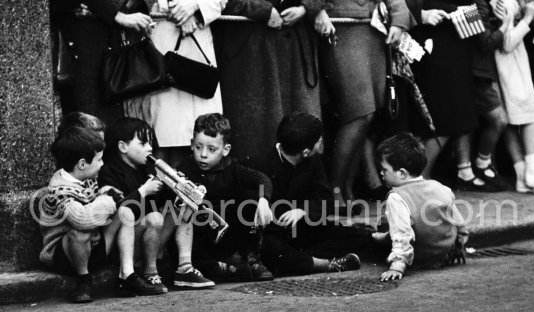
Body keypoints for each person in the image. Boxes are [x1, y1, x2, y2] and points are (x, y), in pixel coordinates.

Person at [309, 0, 413, 203]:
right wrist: (316, 9)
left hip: (374, 30)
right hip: (340, 28)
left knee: (366, 116)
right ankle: (333, 190)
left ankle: (346, 190)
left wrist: (399, 19)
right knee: (358, 113)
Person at [216, 0, 334, 160]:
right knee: (259, 132)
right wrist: (263, 10)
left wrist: (304, 8)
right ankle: (261, 188)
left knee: (303, 127)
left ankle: (305, 187)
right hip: (252, 54)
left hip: (295, 52)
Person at [125, 0, 229, 166]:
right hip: (156, 40)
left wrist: (195, 7)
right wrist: (165, 7)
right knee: (160, 125)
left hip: (195, 45)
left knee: (197, 126)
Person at [39, 127, 164, 303]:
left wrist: (106, 194)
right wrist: (107, 200)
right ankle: (83, 281)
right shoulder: (59, 190)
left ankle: (126, 274)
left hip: (95, 247)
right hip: (67, 258)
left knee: (125, 211)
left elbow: (96, 200)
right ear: (82, 164)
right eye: (99, 160)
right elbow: (82, 219)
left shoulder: (86, 176)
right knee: (78, 233)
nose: (102, 164)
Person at [245, 112, 373, 276]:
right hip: (275, 233)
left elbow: (324, 198)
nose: (321, 142)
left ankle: (376, 239)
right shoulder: (259, 164)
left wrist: (302, 210)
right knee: (273, 250)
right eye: (319, 140)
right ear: (305, 151)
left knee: (347, 234)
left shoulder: (313, 161)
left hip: (306, 229)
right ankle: (326, 265)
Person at [396, 0, 481, 179]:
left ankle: (423, 181)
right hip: (433, 41)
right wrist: (423, 12)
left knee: (457, 115)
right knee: (440, 118)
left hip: (457, 40)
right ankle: (417, 182)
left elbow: (463, 0)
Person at [99, 117, 215, 290]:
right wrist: (144, 190)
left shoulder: (147, 169)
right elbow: (118, 211)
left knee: (184, 205)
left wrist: (181, 189)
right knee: (153, 218)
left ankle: (184, 268)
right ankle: (150, 273)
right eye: (143, 143)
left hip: (152, 241)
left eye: (151, 143)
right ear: (123, 147)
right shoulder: (108, 172)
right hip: (126, 248)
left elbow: (165, 202)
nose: (149, 148)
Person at [54, 0, 157, 124]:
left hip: (125, 39)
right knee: (92, 117)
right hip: (86, 38)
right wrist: (116, 8)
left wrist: (130, 3)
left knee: (126, 120)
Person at [176, 113, 275, 281]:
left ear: (225, 150)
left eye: (212, 149)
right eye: (198, 147)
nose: (203, 154)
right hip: (199, 235)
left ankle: (250, 258)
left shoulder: (231, 166)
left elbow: (261, 179)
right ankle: (223, 269)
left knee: (251, 197)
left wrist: (264, 200)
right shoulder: (185, 168)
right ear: (192, 145)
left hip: (228, 233)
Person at [373, 133, 468, 281]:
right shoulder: (441, 188)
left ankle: (380, 238)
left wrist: (397, 265)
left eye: (384, 169)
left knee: (381, 228)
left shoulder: (397, 196)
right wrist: (459, 246)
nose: (381, 173)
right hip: (443, 255)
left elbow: (402, 233)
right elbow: (459, 223)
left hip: (419, 257)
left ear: (402, 173)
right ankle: (381, 237)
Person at [452, 0, 509, 192]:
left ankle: (469, 168)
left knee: (469, 122)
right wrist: (505, 25)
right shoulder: (476, 5)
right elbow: (484, 42)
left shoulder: (480, 3)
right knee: (498, 119)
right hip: (477, 74)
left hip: (475, 72)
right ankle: (482, 163)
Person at [493, 0, 534, 194]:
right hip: (507, 63)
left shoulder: (517, 3)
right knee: (527, 111)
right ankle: (533, 170)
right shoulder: (509, 3)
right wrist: (527, 19)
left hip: (513, 63)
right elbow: (507, 44)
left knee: (515, 116)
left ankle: (523, 175)